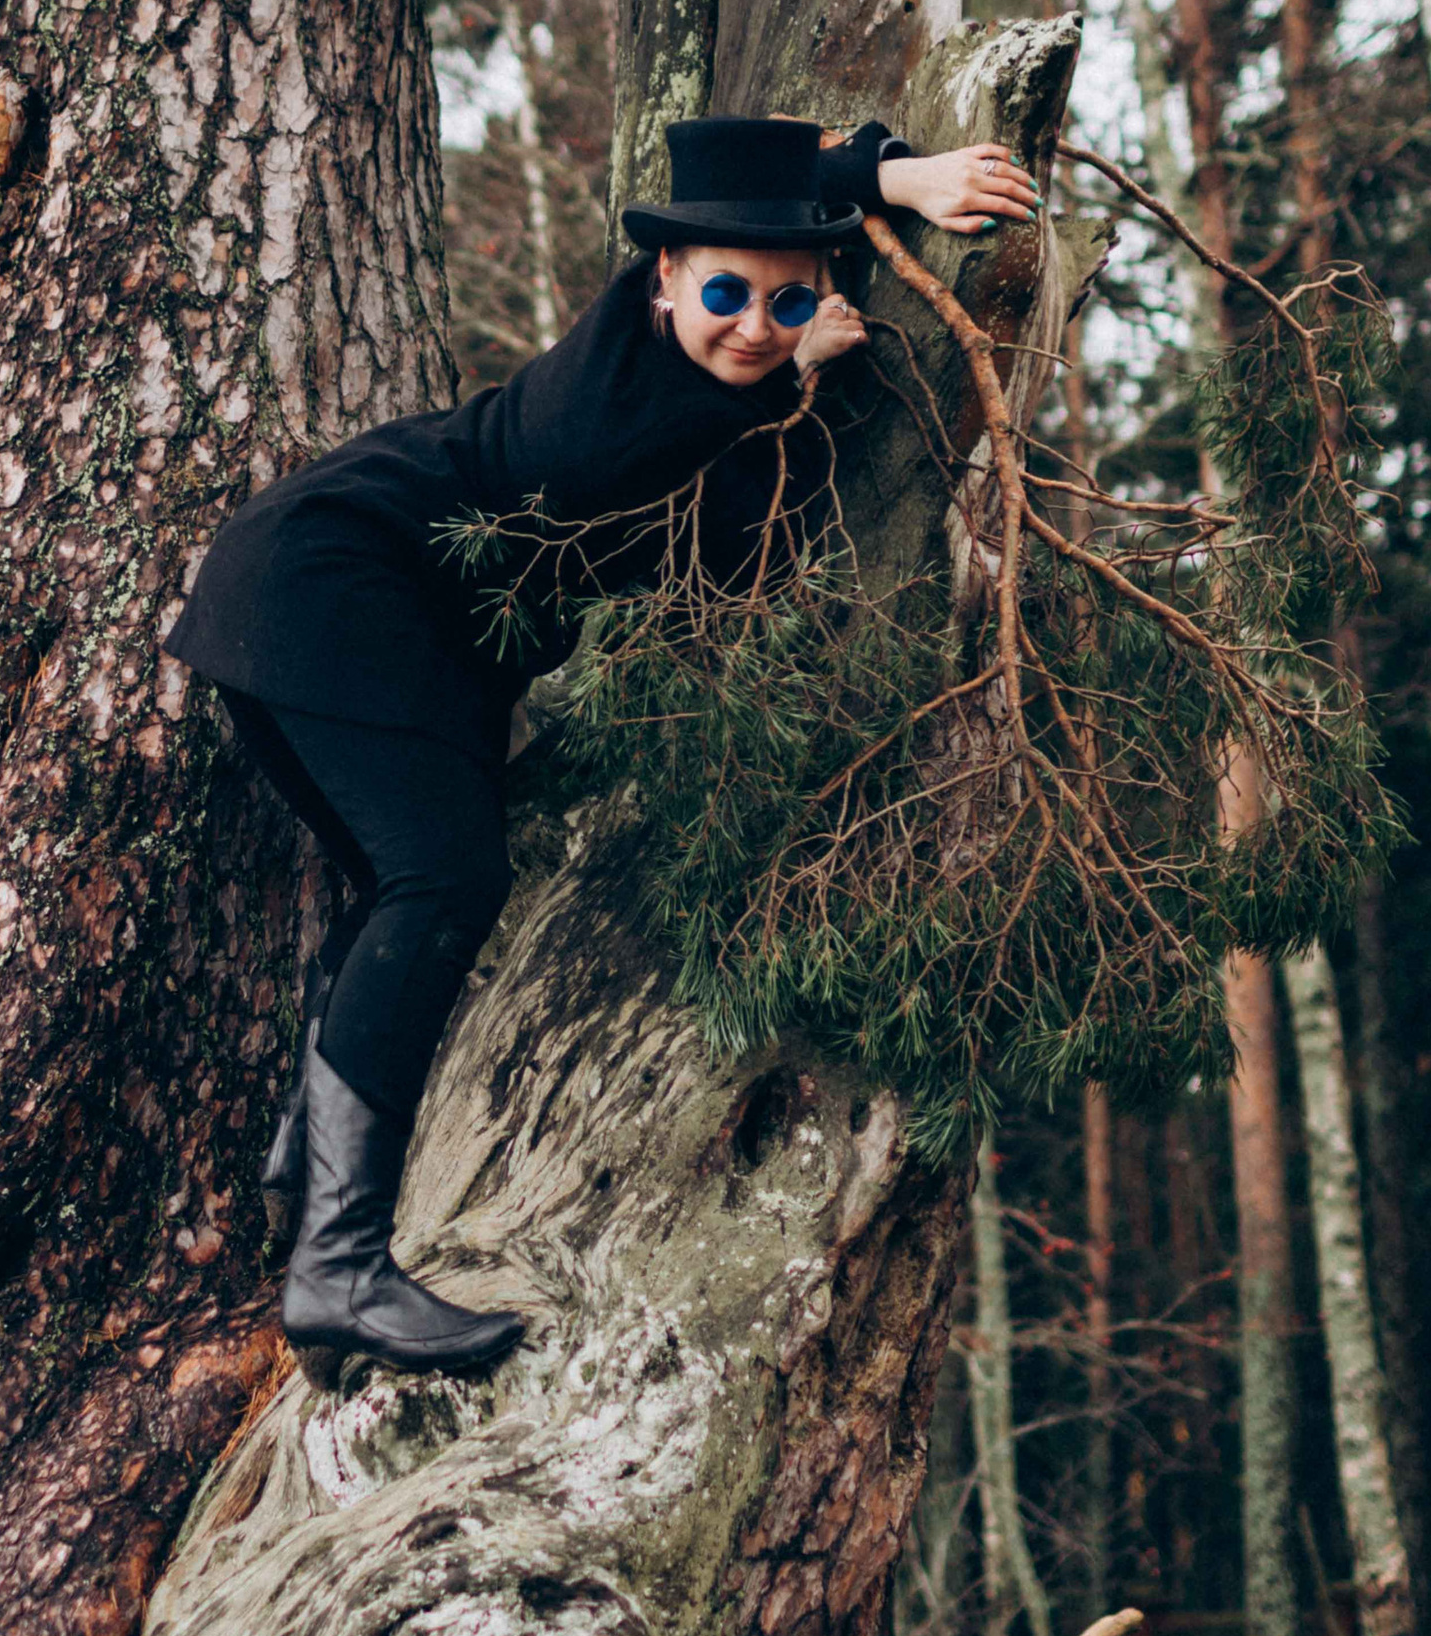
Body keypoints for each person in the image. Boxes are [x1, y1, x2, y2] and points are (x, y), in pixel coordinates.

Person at [165, 111, 1039, 1383]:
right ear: (665, 281)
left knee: (401, 886)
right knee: (442, 880)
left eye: (789, 305)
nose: (750, 324)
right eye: (725, 295)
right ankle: (340, 1265)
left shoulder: (680, 347)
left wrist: (895, 176)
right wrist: (811, 382)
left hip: (340, 597)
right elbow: (747, 553)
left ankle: (312, 1165)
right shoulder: (620, 417)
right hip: (335, 586)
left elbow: (766, 184)